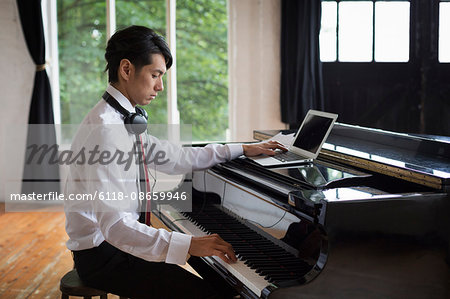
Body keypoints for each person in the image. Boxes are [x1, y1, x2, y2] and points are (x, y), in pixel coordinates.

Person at [63, 25, 286, 299]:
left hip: (120, 244)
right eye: (155, 75)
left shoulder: (123, 119)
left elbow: (176, 157)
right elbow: (116, 227)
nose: (160, 86)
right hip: (104, 256)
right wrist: (190, 243)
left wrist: (241, 148)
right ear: (126, 69)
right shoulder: (105, 131)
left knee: (223, 287)